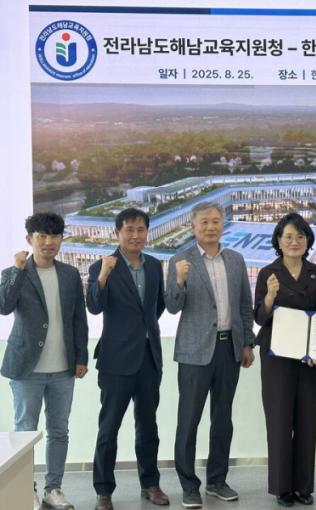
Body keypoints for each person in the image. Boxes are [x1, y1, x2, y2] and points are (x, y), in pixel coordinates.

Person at [165, 201, 255, 509]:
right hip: (195, 352)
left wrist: (247, 343)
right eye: (204, 222)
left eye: (216, 221)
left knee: (222, 419)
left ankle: (217, 481)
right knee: (188, 420)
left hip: (230, 349)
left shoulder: (236, 260)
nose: (210, 227)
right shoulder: (180, 260)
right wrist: (179, 280)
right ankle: (189, 485)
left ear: (223, 224)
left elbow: (245, 305)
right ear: (193, 226)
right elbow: (172, 306)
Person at [0, 212, 88, 510]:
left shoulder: (70, 274)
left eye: (54, 236)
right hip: (27, 368)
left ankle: (54, 489)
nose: (48, 242)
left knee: (59, 430)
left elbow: (79, 318)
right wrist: (17, 270)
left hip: (63, 368)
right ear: (30, 239)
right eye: (42, 236)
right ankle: (26, 490)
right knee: (25, 432)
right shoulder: (15, 272)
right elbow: (4, 306)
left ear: (61, 239)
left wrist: (81, 356)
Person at [87, 208, 168, 510]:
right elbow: (94, 306)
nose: (135, 235)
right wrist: (104, 275)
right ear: (117, 233)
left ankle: (150, 484)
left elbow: (156, 308)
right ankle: (103, 491)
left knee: (148, 426)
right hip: (116, 360)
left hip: (148, 357)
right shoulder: (102, 265)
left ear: (147, 232)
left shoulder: (155, 266)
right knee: (108, 429)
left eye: (140, 229)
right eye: (129, 230)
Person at [253, 213, 316, 507]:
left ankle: (303, 487)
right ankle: (282, 488)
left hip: (310, 360)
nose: (294, 242)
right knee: (279, 421)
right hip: (277, 358)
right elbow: (259, 317)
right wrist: (270, 296)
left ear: (308, 241)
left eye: (300, 237)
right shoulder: (268, 273)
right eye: (288, 236)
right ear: (278, 240)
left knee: (307, 421)